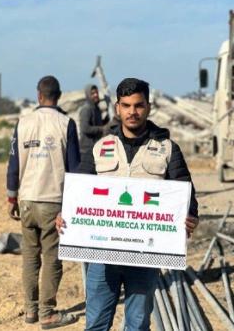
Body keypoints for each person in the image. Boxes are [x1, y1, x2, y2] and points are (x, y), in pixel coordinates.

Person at [56, 78, 199, 331]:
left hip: (144, 257)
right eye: (126, 105)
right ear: (117, 108)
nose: (132, 111)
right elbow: (77, 191)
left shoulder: (167, 149)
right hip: (101, 255)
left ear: (149, 107)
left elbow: (187, 194)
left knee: (137, 323)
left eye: (138, 105)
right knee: (96, 322)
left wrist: (190, 217)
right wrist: (64, 214)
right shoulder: (101, 147)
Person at [6, 75, 80, 329]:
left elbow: (13, 164)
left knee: (30, 257)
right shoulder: (66, 123)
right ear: (58, 96)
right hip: (53, 201)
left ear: (39, 95)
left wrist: (11, 197)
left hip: (26, 199)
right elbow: (74, 168)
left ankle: (30, 310)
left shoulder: (22, 123)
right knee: (52, 257)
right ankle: (47, 312)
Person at [79, 84, 109, 155]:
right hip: (87, 149)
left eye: (96, 93)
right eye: (92, 93)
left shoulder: (96, 108)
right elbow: (85, 128)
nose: (95, 95)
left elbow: (98, 123)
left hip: (97, 146)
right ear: (88, 95)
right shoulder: (86, 109)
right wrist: (101, 129)